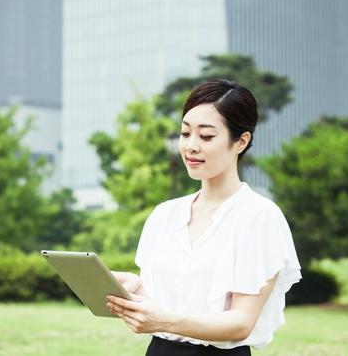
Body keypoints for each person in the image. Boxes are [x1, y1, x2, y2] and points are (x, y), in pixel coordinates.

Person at [107, 79, 302, 355]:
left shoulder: (259, 216)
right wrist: (136, 290)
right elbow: (167, 306)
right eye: (185, 134)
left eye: (206, 136)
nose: (191, 146)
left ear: (241, 141)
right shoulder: (165, 215)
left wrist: (164, 320)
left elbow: (240, 323)